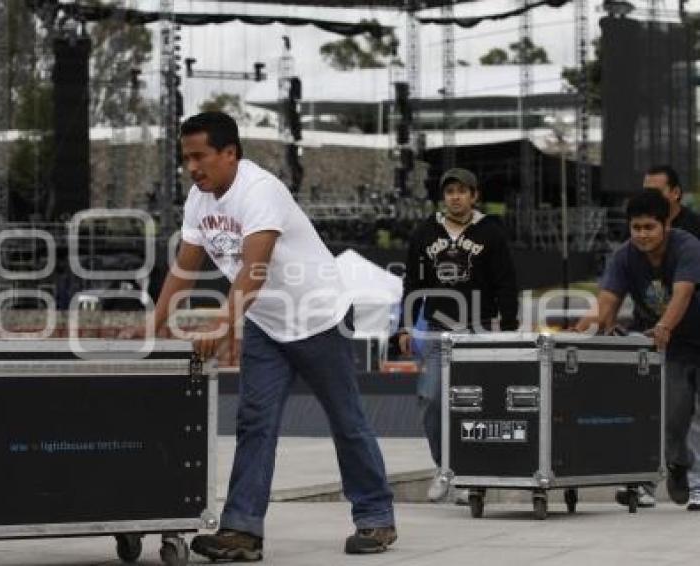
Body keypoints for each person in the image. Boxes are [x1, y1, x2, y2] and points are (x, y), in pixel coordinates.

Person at [137, 112, 396, 560]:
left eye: (200, 157)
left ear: (230, 153)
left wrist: (221, 325)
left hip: (319, 317)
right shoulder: (199, 202)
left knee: (346, 420)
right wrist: (153, 326)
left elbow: (253, 270)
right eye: (186, 158)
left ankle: (375, 518)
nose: (192, 168)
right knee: (254, 422)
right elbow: (185, 267)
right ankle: (242, 531)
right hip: (267, 322)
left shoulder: (260, 191)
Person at [398, 168, 519, 502]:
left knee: (474, 405)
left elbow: (506, 282)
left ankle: (469, 475)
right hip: (438, 332)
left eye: (462, 191)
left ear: (474, 195)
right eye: (450, 191)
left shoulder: (491, 232)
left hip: (478, 330)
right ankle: (444, 468)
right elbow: (413, 283)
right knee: (431, 398)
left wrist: (508, 328)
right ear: (443, 197)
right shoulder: (425, 232)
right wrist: (405, 326)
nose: (456, 196)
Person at [575, 190, 700, 511]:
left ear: (666, 225)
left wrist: (664, 326)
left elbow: (682, 295)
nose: (642, 235)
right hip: (671, 349)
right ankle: (678, 465)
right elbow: (607, 304)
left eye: (649, 227)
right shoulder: (624, 257)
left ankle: (698, 484)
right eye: (636, 228)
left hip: (681, 335)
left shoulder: (688, 247)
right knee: (672, 417)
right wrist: (589, 324)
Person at [643, 164, 700, 238]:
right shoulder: (639, 222)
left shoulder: (695, 226)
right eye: (647, 191)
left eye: (656, 192)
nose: (650, 196)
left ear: (676, 193)